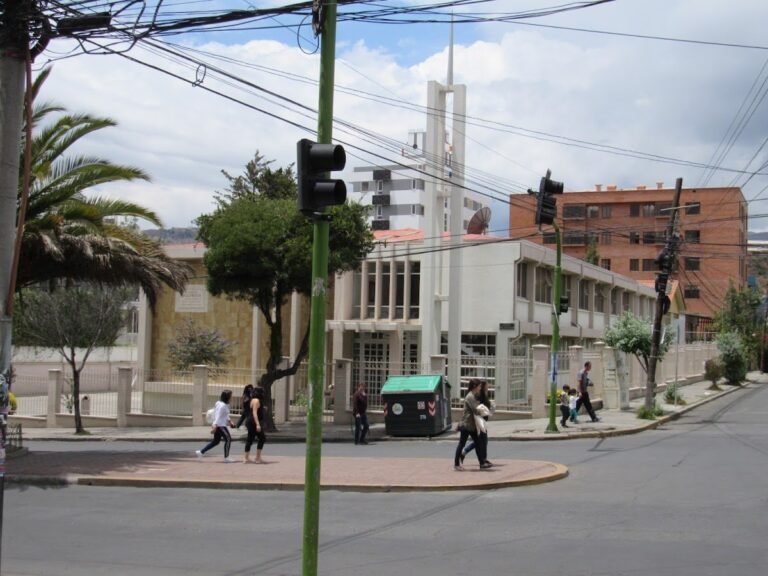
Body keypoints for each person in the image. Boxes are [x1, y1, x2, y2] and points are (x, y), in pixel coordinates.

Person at [454, 379, 491, 471]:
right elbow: (476, 409)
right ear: (474, 386)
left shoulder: (473, 396)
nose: (480, 388)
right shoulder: (470, 396)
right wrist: (484, 410)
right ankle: (456, 464)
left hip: (472, 425)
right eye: (479, 386)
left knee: (478, 442)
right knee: (462, 443)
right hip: (467, 425)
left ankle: (482, 463)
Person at [196, 389, 236, 462]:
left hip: (219, 424)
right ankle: (226, 458)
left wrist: (230, 421)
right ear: (227, 397)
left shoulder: (220, 403)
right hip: (220, 425)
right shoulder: (222, 405)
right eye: (230, 396)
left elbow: (225, 415)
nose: (231, 397)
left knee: (216, 441)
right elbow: (218, 415)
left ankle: (201, 452)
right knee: (228, 439)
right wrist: (215, 425)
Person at [243, 387, 266, 463]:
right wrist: (258, 424)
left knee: (250, 439)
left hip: (250, 421)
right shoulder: (256, 400)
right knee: (262, 438)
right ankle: (257, 458)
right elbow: (254, 413)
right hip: (253, 422)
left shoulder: (252, 400)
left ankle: (246, 458)